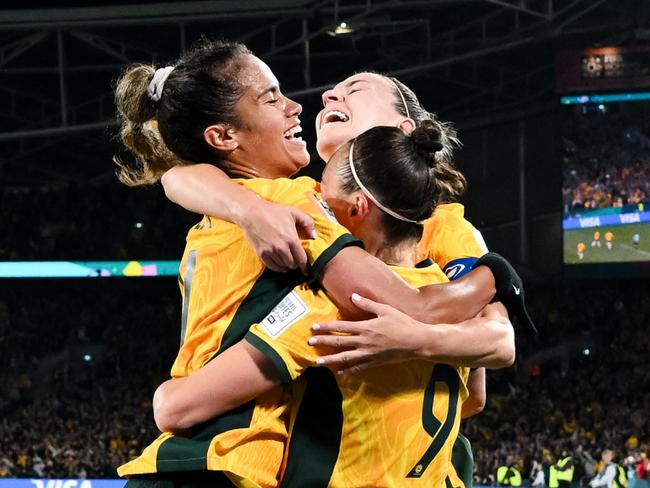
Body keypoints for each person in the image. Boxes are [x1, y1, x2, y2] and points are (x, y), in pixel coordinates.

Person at [113, 39, 515, 487]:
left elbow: (497, 343)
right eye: (272, 97)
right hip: (236, 457)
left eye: (356, 89)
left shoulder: (438, 225)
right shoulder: (294, 204)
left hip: (232, 456)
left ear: (401, 130)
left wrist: (414, 338)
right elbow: (179, 176)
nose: (322, 97)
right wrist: (496, 276)